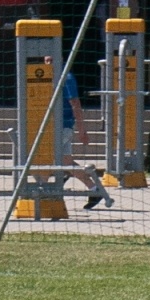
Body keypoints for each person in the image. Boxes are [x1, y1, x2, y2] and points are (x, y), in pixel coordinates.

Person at [58, 71, 105, 209]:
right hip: (53, 126)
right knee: (65, 161)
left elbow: (75, 103)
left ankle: (47, 191)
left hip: (62, 126)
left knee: (48, 157)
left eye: (51, 60)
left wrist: (81, 129)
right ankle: (95, 189)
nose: (47, 63)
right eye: (46, 60)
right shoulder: (48, 76)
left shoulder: (67, 77)